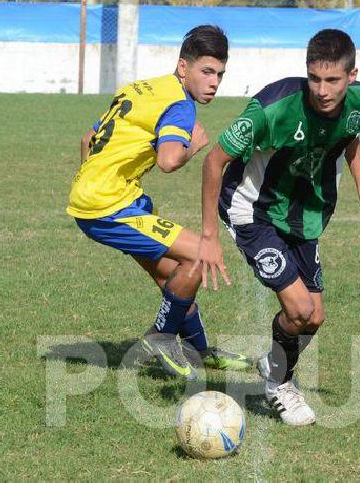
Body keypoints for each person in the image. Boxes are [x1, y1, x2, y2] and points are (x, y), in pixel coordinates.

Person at [194, 29, 360, 425]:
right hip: (253, 211)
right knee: (299, 308)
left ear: (351, 76)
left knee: (314, 317)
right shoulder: (273, 108)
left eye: (332, 80)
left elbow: (350, 136)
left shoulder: (359, 100)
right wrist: (208, 237)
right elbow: (213, 161)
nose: (322, 89)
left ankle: (273, 362)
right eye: (314, 78)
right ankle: (280, 385)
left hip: (305, 214)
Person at [66, 24, 251, 381]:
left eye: (220, 74)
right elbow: (168, 160)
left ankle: (198, 349)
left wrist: (98, 179)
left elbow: (88, 138)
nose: (214, 82)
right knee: (199, 253)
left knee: (175, 276)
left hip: (110, 199)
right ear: (184, 68)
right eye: (206, 72)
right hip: (108, 207)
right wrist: (192, 150)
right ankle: (159, 337)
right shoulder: (180, 105)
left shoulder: (142, 87)